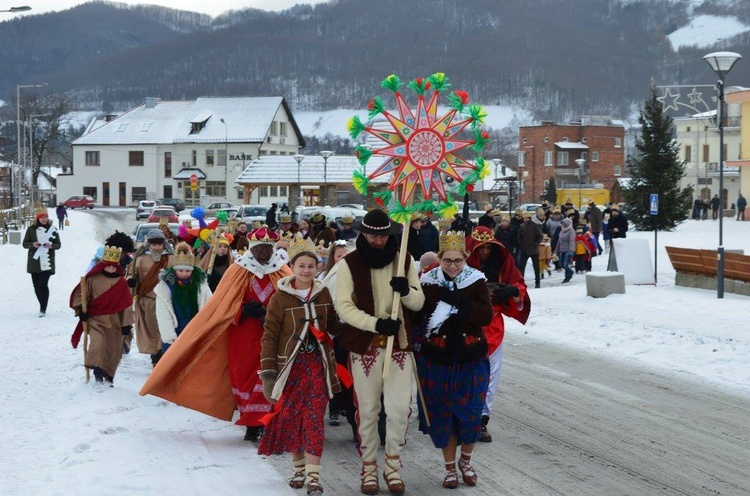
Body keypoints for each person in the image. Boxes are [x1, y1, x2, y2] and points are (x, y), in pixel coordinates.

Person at [139, 226, 292, 443]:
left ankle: (265, 421)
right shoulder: (237, 270)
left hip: (274, 335)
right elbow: (222, 305)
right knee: (246, 376)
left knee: (271, 375)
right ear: (252, 249)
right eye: (260, 249)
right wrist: (242, 310)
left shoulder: (283, 271)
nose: (264, 254)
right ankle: (251, 422)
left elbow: (293, 303)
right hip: (243, 336)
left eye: (268, 248)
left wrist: (275, 314)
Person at [335, 209, 425, 495]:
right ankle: (370, 467)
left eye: (383, 236)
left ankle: (393, 467)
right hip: (365, 348)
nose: (378, 241)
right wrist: (375, 324)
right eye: (373, 235)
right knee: (369, 411)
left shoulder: (405, 259)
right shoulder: (349, 263)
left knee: (399, 411)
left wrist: (407, 292)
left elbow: (419, 302)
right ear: (363, 233)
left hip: (398, 347)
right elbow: (344, 306)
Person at [258, 235, 342, 495]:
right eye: (301, 266)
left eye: (311, 266)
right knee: (293, 418)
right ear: (292, 268)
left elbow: (336, 326)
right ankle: (298, 470)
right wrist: (268, 372)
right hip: (290, 369)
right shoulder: (280, 298)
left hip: (317, 366)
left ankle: (314, 478)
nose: (306, 270)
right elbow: (270, 335)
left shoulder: (323, 292)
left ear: (318, 268)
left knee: (315, 419)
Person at [417, 230, 493, 489]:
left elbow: (485, 316)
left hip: (470, 360)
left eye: (457, 261)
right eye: (447, 261)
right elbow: (419, 314)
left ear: (466, 257)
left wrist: (458, 301)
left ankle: (466, 462)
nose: (452, 266)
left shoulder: (476, 281)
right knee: (443, 416)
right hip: (437, 361)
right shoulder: (428, 282)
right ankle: (449, 468)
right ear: (439, 259)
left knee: (470, 415)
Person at [465, 226, 530, 443]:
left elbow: (519, 285)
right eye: (479, 250)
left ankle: (481, 420)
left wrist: (514, 291)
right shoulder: (458, 262)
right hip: (464, 323)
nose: (484, 254)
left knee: (491, 376)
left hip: (493, 326)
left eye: (488, 249)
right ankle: (461, 416)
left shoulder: (503, 262)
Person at [69, 246, 134, 390]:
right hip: (96, 319)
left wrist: (126, 324)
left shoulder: (121, 282)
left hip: (115, 321)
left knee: (113, 348)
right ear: (103, 265)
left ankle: (109, 374)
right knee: (98, 343)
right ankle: (97, 371)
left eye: (113, 266)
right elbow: (82, 295)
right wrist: (81, 310)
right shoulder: (92, 279)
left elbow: (127, 304)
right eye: (108, 266)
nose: (110, 269)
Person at [126, 229, 173, 367]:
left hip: (166, 301)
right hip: (148, 301)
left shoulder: (171, 258)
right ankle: (155, 356)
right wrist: (131, 281)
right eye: (154, 245)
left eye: (159, 244)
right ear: (149, 245)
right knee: (152, 330)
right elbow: (130, 274)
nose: (157, 247)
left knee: (165, 329)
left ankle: (164, 356)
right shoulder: (139, 259)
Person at [155, 242, 212, 355]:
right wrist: (169, 335)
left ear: (192, 270)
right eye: (180, 271)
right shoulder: (166, 287)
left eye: (187, 271)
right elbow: (163, 313)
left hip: (195, 330)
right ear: (175, 270)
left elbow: (209, 304)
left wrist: (206, 328)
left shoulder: (200, 284)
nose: (184, 274)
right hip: (176, 330)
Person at [23, 207, 61, 317]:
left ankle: (43, 309)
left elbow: (58, 245)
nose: (44, 219)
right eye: (42, 217)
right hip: (34, 262)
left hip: (47, 262)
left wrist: (51, 246)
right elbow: (25, 244)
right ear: (38, 219)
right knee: (36, 286)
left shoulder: (52, 229)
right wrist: (32, 244)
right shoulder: (31, 229)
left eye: (46, 217)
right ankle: (42, 304)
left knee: (43, 284)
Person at [517, 212, 543, 289]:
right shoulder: (522, 226)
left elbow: (540, 236)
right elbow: (519, 236)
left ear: (529, 218)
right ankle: (521, 282)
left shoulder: (535, 226)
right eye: (524, 218)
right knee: (521, 267)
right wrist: (520, 243)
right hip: (524, 249)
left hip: (533, 250)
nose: (525, 220)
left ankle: (537, 282)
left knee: (536, 267)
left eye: (527, 218)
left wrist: (535, 244)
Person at [555, 218, 575, 283]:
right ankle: (571, 272)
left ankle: (567, 277)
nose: (562, 225)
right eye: (562, 224)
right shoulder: (562, 231)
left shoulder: (571, 231)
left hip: (568, 250)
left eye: (563, 224)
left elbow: (572, 241)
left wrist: (571, 251)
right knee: (561, 264)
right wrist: (556, 251)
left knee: (565, 264)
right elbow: (559, 242)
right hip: (562, 249)